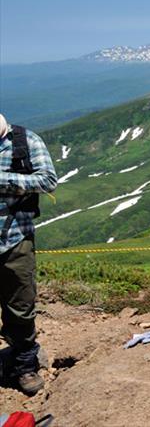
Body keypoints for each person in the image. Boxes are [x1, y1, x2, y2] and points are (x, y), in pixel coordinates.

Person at [0, 114, 58, 396]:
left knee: (20, 304)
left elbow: (48, 181)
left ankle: (24, 364)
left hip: (15, 237)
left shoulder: (26, 141)